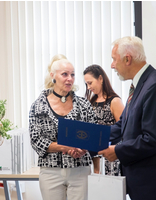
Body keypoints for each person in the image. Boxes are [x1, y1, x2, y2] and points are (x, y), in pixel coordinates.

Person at [98, 36, 156, 200]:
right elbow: (121, 126)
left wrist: (117, 151)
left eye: (114, 59)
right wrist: (89, 139)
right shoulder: (139, 85)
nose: (112, 65)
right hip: (145, 184)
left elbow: (153, 139)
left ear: (127, 59)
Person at [29, 55, 96, 200]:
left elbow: (93, 135)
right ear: (53, 76)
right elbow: (36, 141)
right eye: (64, 74)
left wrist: (83, 149)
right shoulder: (38, 106)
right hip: (50, 171)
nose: (70, 78)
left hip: (80, 169)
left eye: (72, 75)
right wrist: (65, 147)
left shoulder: (84, 104)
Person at [83, 64, 124, 175]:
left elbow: (124, 131)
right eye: (86, 84)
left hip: (112, 159)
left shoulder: (115, 101)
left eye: (90, 83)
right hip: (95, 159)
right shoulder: (91, 103)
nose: (88, 88)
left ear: (100, 79)